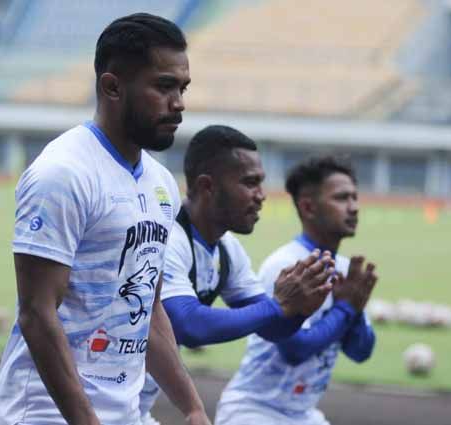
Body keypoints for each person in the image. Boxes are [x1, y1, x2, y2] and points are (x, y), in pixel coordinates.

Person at [0, 13, 210, 425]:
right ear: (112, 86)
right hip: (47, 413)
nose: (178, 103)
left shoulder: (161, 184)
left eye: (182, 88)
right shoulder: (64, 173)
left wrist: (192, 406)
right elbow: (37, 314)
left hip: (123, 411)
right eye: (164, 86)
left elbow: (149, 306)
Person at [139, 125, 335, 424]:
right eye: (250, 183)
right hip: (89, 396)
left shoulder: (228, 250)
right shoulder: (168, 237)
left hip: (133, 405)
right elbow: (189, 325)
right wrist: (279, 306)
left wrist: (296, 310)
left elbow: (272, 328)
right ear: (208, 186)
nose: (261, 195)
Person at [215, 155, 378, 425]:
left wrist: (355, 311)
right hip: (254, 411)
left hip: (303, 415)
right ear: (308, 207)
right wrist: (346, 307)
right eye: (341, 198)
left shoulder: (347, 269)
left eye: (354, 197)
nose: (354, 207)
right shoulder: (286, 266)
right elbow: (295, 350)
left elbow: (361, 352)